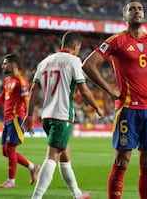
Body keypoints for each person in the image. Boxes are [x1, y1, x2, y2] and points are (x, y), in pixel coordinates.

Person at [82, 0, 147, 199]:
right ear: (125, 17)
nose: (137, 11)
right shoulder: (116, 41)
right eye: (132, 9)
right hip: (127, 109)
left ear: (144, 14)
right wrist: (109, 89)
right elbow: (88, 65)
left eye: (140, 9)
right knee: (122, 159)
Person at [22, 31, 105, 199]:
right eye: (79, 48)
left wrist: (29, 115)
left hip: (46, 116)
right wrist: (96, 107)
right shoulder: (74, 61)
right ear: (75, 46)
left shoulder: (44, 62)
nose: (78, 51)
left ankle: (77, 194)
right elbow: (84, 90)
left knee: (65, 155)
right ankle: (36, 197)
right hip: (62, 116)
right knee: (53, 155)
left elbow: (34, 89)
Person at [0, 53, 40, 188]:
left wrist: (29, 119)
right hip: (7, 120)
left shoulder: (21, 82)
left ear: (13, 64)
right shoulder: (7, 81)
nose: (2, 65)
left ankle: (11, 181)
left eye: (5, 63)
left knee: (10, 148)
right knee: (5, 151)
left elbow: (27, 100)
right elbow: (2, 98)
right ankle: (32, 167)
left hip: (17, 119)